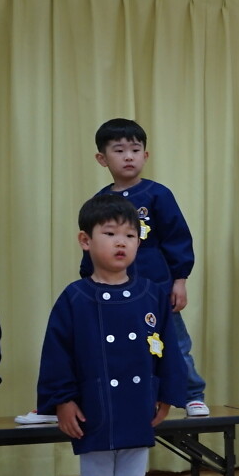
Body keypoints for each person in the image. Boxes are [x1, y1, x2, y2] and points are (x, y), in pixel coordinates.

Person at [41, 194, 188, 476]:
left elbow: (168, 350)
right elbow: (57, 354)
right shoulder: (74, 297)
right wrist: (63, 400)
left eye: (130, 235)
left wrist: (166, 395)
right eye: (109, 233)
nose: (121, 242)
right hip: (94, 405)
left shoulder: (151, 294)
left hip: (138, 402)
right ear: (85, 240)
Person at [79, 118, 208, 418]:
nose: (128, 156)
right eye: (119, 150)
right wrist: (89, 283)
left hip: (158, 288)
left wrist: (179, 280)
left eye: (135, 150)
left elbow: (177, 239)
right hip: (114, 292)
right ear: (102, 158)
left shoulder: (158, 195)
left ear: (145, 156)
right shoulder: (100, 202)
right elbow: (92, 250)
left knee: (175, 343)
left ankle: (192, 395)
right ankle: (134, 397)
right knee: (126, 346)